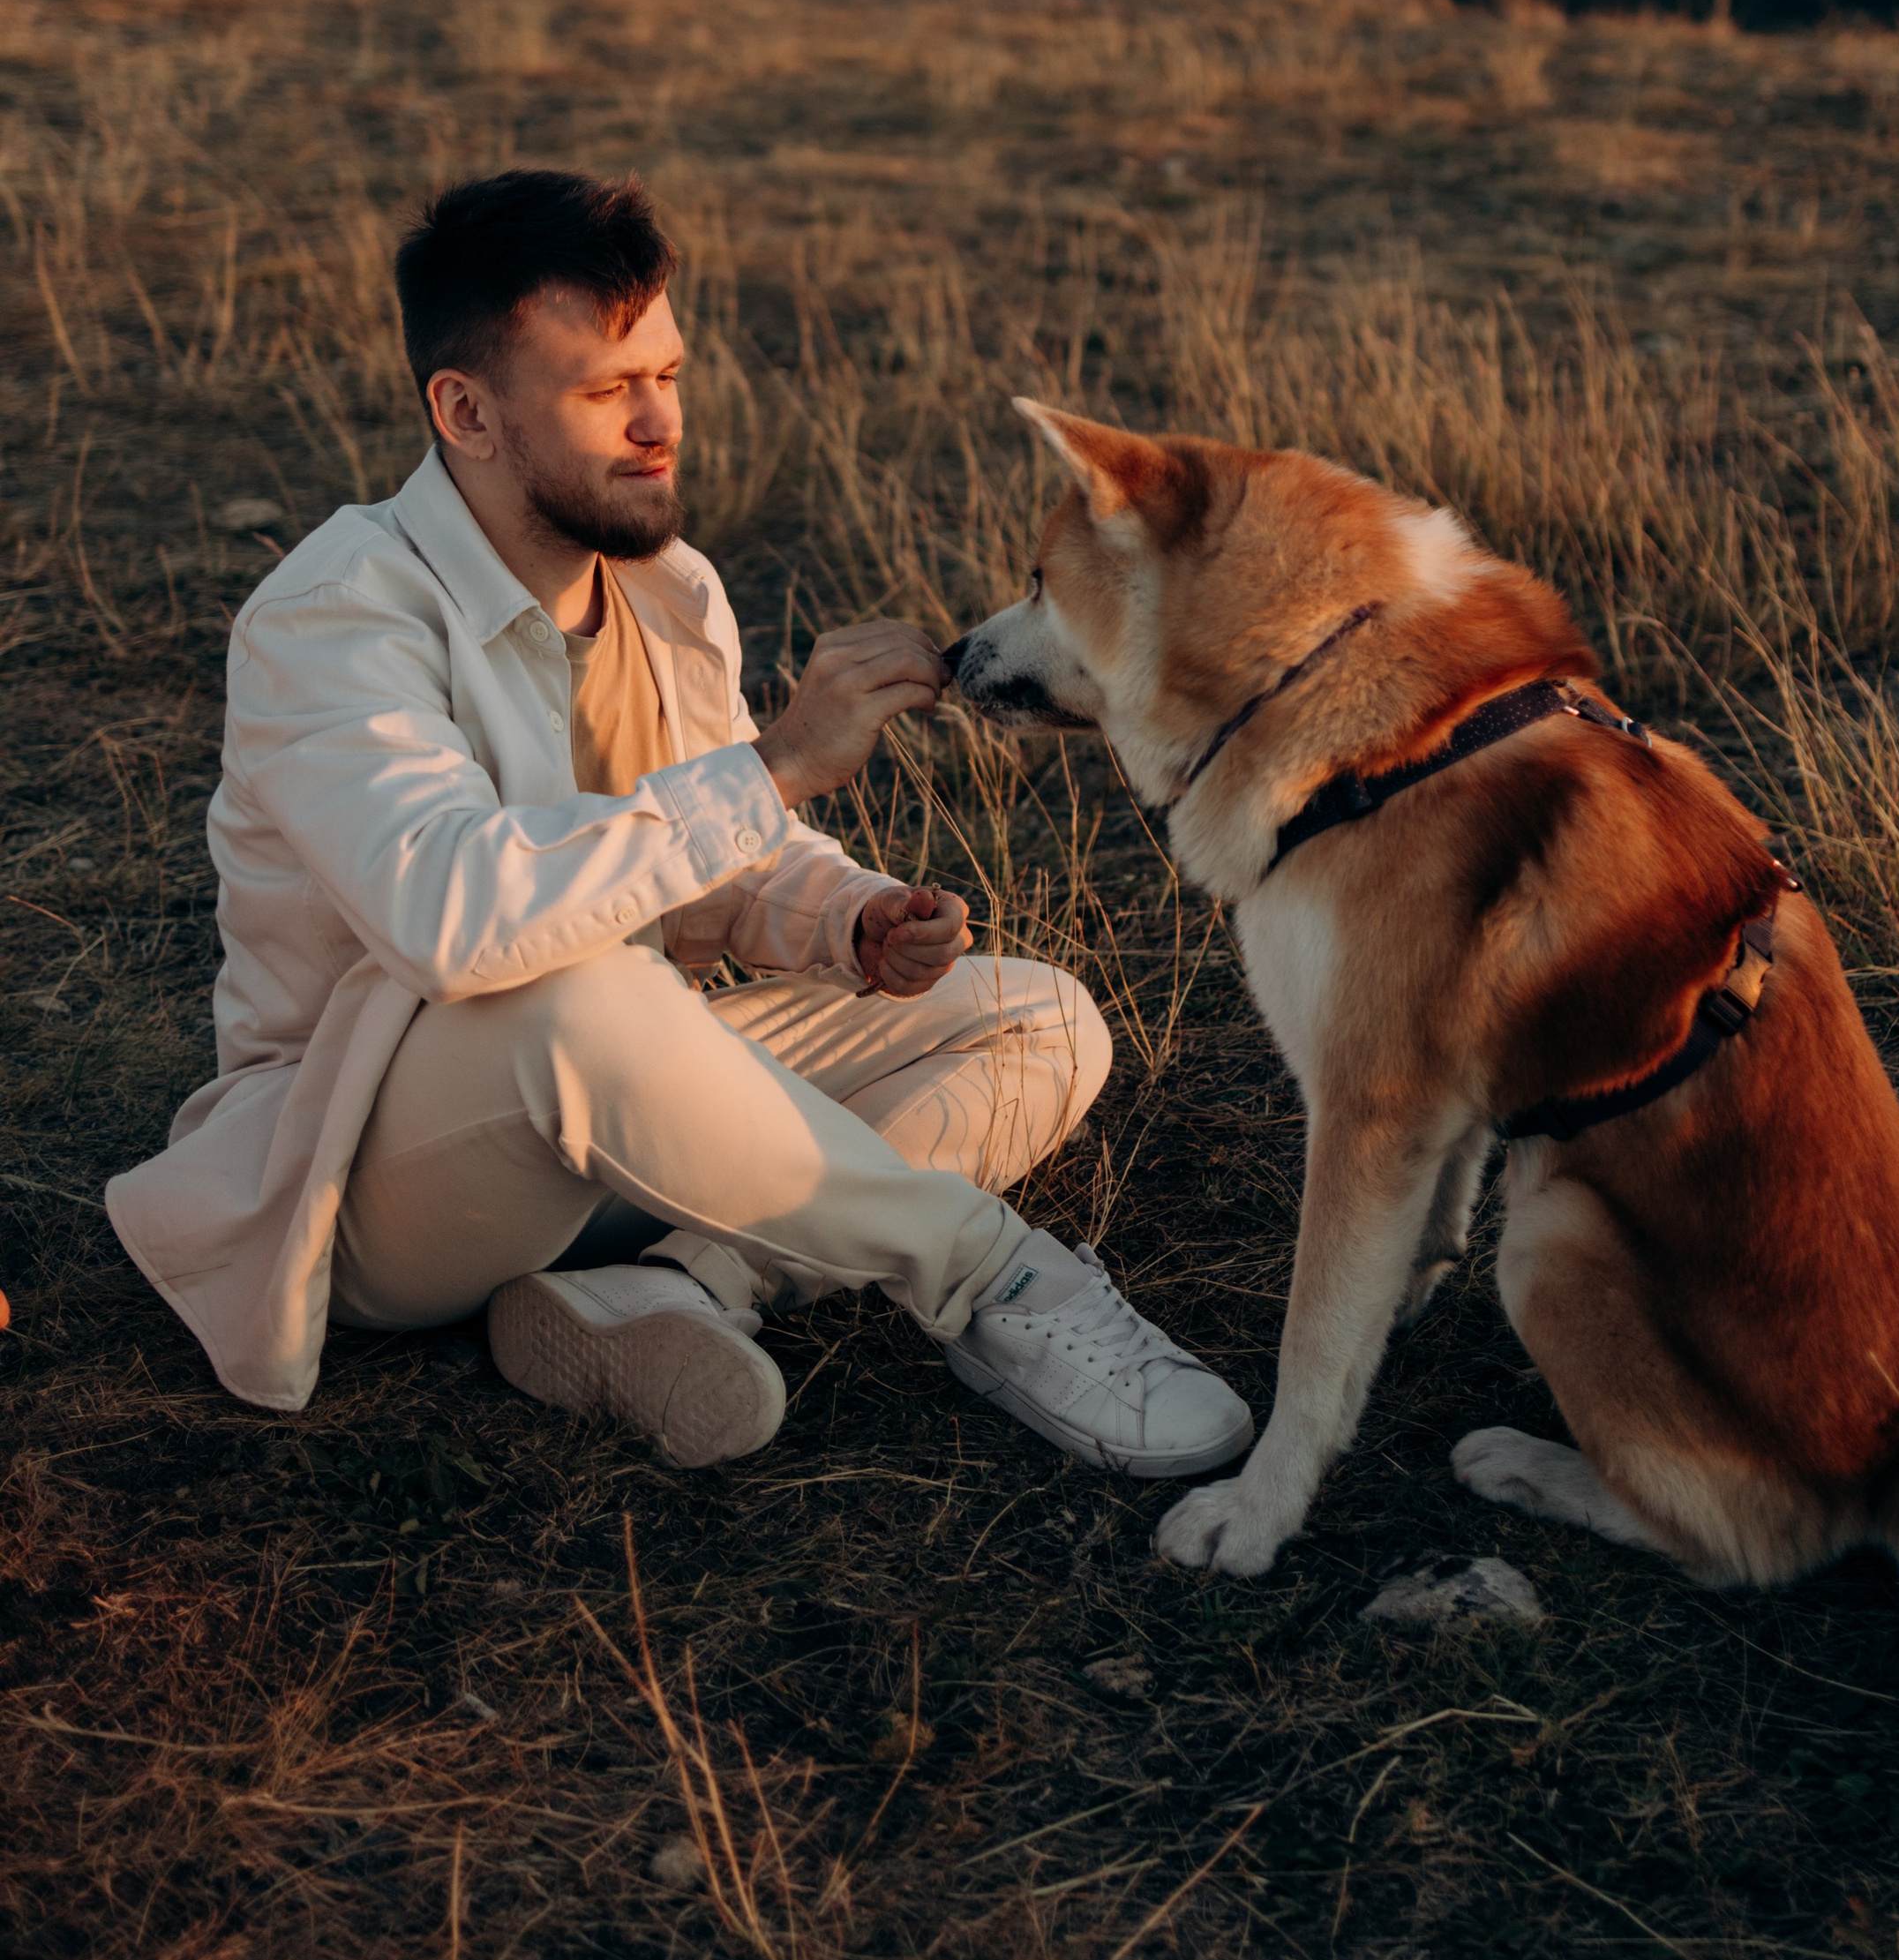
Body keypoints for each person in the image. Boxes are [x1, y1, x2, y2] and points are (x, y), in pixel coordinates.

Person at [106, 169, 1250, 1480]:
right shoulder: (336, 616)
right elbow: (455, 923)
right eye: (606, 390)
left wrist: (842, 916)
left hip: (631, 1097)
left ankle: (682, 1285)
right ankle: (999, 1285)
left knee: (1039, 1015)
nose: (662, 424)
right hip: (374, 1169)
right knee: (580, 999)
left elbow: (708, 853)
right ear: (464, 411)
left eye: (669, 373)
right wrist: (772, 767)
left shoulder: (670, 588)